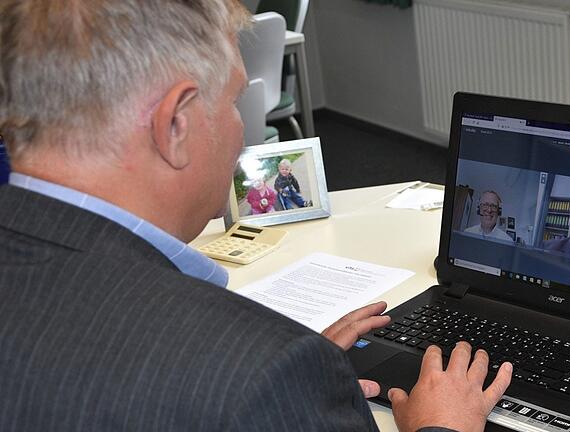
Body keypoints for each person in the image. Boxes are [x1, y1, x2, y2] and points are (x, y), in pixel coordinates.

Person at [0, 1, 512, 431]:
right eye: (235, 101)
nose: (242, 130)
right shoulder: (255, 370)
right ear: (175, 125)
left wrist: (302, 373)